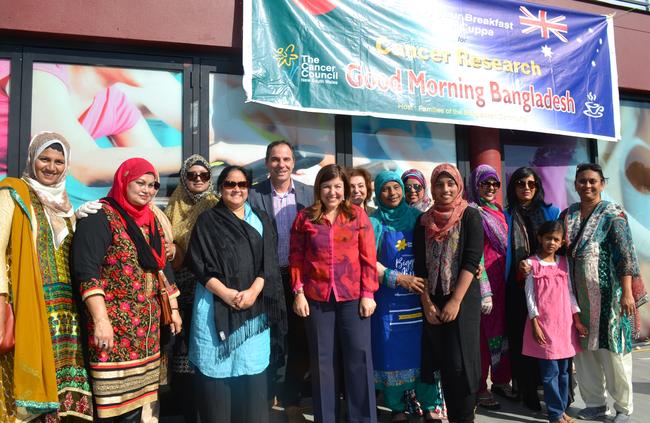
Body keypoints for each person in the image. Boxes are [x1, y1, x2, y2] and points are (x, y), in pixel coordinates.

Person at [72, 158, 182, 422]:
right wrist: (100, 321)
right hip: (114, 330)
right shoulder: (100, 216)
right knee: (111, 408)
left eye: (153, 185)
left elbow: (162, 267)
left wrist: (174, 310)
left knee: (138, 406)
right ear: (123, 181)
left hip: (147, 333)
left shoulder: (151, 219)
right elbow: (86, 270)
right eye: (140, 183)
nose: (147, 190)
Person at [0, 132, 93, 422]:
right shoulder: (13, 193)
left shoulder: (66, 204)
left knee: (63, 395)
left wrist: (80, 221)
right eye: (44, 159)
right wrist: (2, 297)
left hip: (67, 312)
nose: (51, 167)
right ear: (32, 159)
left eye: (58, 161)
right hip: (29, 305)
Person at [186, 165, 286, 423]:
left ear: (248, 188)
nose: (236, 189)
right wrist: (227, 294)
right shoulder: (208, 221)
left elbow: (270, 263)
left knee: (252, 392)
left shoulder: (262, 218)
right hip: (215, 308)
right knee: (217, 394)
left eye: (242, 184)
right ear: (220, 189)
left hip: (254, 314)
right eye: (230, 184)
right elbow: (199, 264)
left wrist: (253, 290)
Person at [290, 164, 378, 423]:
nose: (332, 191)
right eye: (327, 186)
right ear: (319, 189)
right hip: (317, 299)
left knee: (359, 359)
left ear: (345, 189)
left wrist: (368, 293)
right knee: (322, 363)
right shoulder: (305, 218)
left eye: (338, 186)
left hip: (353, 297)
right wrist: (298, 292)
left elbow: (368, 257)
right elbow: (296, 257)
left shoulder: (357, 216)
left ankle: (362, 418)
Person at [563, 163, 646, 423]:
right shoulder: (568, 215)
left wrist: (627, 294)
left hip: (611, 298)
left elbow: (626, 255)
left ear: (602, 184)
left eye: (592, 181)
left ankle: (623, 408)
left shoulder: (613, 214)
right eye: (582, 181)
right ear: (575, 184)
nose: (587, 185)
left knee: (615, 354)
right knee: (585, 353)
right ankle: (595, 404)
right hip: (578, 299)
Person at [369, 170, 446, 422]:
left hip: (419, 299)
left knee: (423, 353)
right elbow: (367, 261)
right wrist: (398, 278)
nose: (392, 193)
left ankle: (430, 404)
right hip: (388, 303)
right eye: (385, 189)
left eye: (396, 187)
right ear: (378, 193)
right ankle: (397, 407)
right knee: (390, 352)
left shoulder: (419, 219)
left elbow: (438, 249)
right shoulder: (373, 223)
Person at [248, 140, 313, 419]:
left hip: (302, 281)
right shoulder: (253, 195)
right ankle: (265, 398)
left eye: (286, 159)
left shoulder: (309, 195)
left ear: (293, 163)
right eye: (275, 159)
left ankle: (292, 402)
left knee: (300, 342)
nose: (281, 164)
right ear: (266, 163)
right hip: (267, 279)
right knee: (269, 342)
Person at [414, 164, 483, 423]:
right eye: (439, 184)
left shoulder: (470, 216)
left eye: (450, 183)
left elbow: (471, 259)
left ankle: (464, 418)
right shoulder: (423, 221)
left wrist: (455, 301)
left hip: (462, 300)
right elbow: (420, 266)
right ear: (432, 188)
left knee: (461, 366)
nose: (445, 189)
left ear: (458, 186)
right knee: (442, 363)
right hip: (433, 298)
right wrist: (427, 304)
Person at [163, 154, 217, 422]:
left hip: (208, 288)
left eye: (203, 175)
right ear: (184, 178)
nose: (197, 179)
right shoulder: (172, 207)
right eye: (192, 175)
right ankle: (186, 412)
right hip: (178, 289)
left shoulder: (217, 206)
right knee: (181, 352)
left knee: (205, 348)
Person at [504, 166, 560, 411]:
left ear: (537, 186)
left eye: (530, 183)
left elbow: (561, 250)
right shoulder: (506, 215)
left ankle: (555, 394)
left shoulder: (552, 213)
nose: (525, 188)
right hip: (516, 287)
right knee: (521, 341)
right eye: (519, 183)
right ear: (512, 187)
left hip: (549, 287)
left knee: (551, 339)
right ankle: (527, 392)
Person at [522, 221, 587, 423]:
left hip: (564, 326)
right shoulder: (531, 264)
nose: (551, 242)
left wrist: (577, 320)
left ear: (561, 242)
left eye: (556, 239)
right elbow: (530, 295)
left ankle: (561, 410)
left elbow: (570, 294)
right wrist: (535, 323)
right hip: (544, 326)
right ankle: (554, 414)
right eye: (548, 238)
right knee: (550, 374)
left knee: (564, 373)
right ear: (540, 238)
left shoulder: (564, 263)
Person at [466, 165, 513, 409]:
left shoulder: (500, 212)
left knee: (503, 332)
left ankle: (502, 379)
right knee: (484, 336)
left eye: (495, 183)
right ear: (475, 185)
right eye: (485, 183)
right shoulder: (473, 212)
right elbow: (476, 255)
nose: (491, 188)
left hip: (503, 280)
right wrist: (485, 289)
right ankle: (480, 387)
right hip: (485, 283)